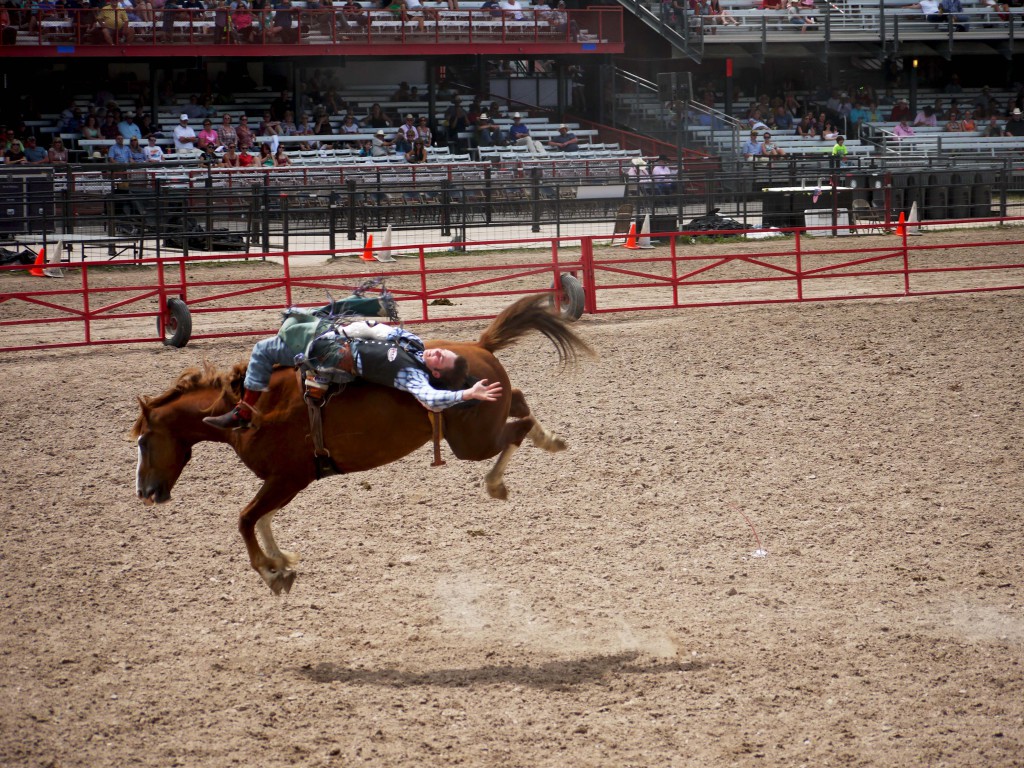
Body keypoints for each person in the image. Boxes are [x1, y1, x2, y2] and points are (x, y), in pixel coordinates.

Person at [202, 315, 503, 430]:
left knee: (263, 350)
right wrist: (353, 327)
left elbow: (431, 400)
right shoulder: (414, 343)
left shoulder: (412, 376)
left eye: (440, 359)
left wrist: (466, 394)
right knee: (294, 319)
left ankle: (244, 412)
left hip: (332, 355)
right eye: (442, 351)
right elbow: (382, 329)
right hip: (337, 336)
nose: (436, 352)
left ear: (436, 374)